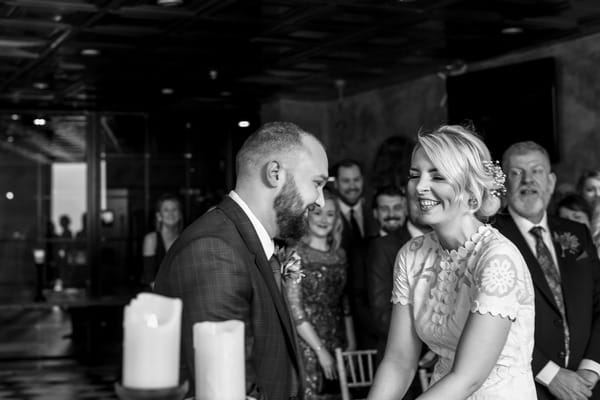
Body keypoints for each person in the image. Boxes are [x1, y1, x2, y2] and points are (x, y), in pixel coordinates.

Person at [154, 121, 329, 400]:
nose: (320, 201)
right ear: (275, 173)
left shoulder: (246, 243)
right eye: (317, 183)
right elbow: (226, 389)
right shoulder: (214, 252)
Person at [368, 125, 537, 399]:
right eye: (414, 175)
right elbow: (399, 361)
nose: (420, 187)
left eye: (437, 176)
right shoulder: (411, 254)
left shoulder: (497, 258)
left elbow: (467, 378)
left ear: (470, 190)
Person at [494, 141, 600, 400]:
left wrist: (591, 369)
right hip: (527, 388)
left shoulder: (577, 232)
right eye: (516, 173)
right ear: (504, 184)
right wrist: (550, 374)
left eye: (537, 171)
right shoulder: (490, 238)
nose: (528, 180)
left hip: (588, 388)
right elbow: (491, 324)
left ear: (551, 182)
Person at [285, 189, 356, 400]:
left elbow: (344, 303)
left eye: (330, 214)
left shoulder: (340, 254)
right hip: (307, 343)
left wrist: (351, 344)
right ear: (306, 215)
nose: (324, 219)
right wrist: (319, 350)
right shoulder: (295, 253)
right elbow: (295, 309)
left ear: (337, 219)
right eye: (318, 213)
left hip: (338, 342)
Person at [332, 159, 379, 349]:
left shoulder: (375, 213)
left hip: (372, 309)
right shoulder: (327, 216)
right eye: (346, 181)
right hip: (340, 310)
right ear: (336, 184)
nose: (352, 186)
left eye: (356, 180)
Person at [141, 193, 183, 288]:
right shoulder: (151, 239)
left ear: (180, 214)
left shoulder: (184, 238)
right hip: (156, 295)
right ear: (159, 216)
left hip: (179, 294)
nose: (171, 214)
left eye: (174, 209)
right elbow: (150, 277)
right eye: (166, 210)